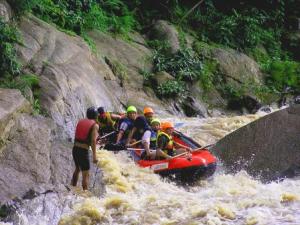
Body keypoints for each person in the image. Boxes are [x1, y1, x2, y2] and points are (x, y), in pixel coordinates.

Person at [71, 106, 99, 190]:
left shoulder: (80, 121)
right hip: (83, 151)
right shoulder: (95, 125)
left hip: (75, 149)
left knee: (77, 169)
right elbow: (93, 141)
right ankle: (85, 195)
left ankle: (72, 187)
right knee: (86, 174)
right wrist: (94, 156)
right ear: (96, 116)